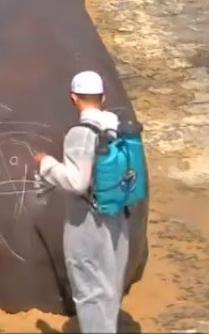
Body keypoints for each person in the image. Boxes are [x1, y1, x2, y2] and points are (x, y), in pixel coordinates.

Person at [33, 70, 131, 334]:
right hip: (119, 214)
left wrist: (47, 165)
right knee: (110, 285)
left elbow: (78, 182)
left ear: (74, 98)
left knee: (89, 288)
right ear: (103, 97)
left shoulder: (80, 133)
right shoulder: (117, 125)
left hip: (88, 219)